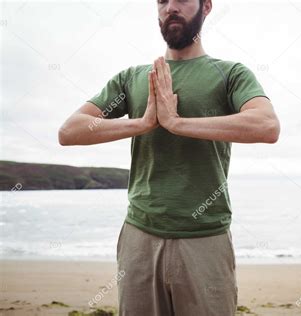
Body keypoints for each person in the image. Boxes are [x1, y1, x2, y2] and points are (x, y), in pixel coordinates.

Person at [58, 0, 280, 314]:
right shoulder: (132, 78)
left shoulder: (230, 74)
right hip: (139, 237)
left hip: (205, 238)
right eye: (162, 1)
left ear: (206, 7)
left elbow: (267, 125)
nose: (170, 7)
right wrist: (143, 123)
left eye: (182, 0)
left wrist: (177, 123)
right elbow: (70, 131)